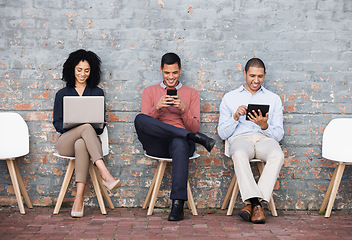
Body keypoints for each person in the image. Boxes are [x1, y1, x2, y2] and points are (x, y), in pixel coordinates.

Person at [134, 52, 215, 221]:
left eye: (175, 73)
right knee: (140, 118)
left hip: (181, 145)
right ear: (161, 71)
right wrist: (157, 108)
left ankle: (177, 205)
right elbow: (145, 126)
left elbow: (194, 126)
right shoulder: (149, 92)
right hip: (157, 143)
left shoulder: (192, 94)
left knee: (179, 141)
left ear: (180, 71)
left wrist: (184, 110)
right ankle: (196, 138)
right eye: (167, 73)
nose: (171, 77)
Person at [53, 49, 121, 218]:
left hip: (85, 143)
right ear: (72, 69)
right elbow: (57, 123)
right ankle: (104, 173)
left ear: (92, 71)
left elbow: (98, 129)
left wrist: (100, 124)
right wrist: (77, 126)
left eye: (86, 70)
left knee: (82, 143)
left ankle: (78, 198)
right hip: (65, 142)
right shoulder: (62, 94)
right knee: (84, 128)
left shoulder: (97, 93)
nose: (82, 74)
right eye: (79, 70)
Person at [217, 58, 284, 224]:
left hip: (263, 138)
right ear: (244, 74)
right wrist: (235, 117)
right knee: (239, 153)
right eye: (252, 75)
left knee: (278, 155)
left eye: (260, 76)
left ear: (265, 75)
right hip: (241, 139)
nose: (256, 80)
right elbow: (222, 133)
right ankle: (256, 203)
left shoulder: (273, 99)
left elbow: (279, 134)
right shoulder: (230, 97)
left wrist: (265, 126)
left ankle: (253, 205)